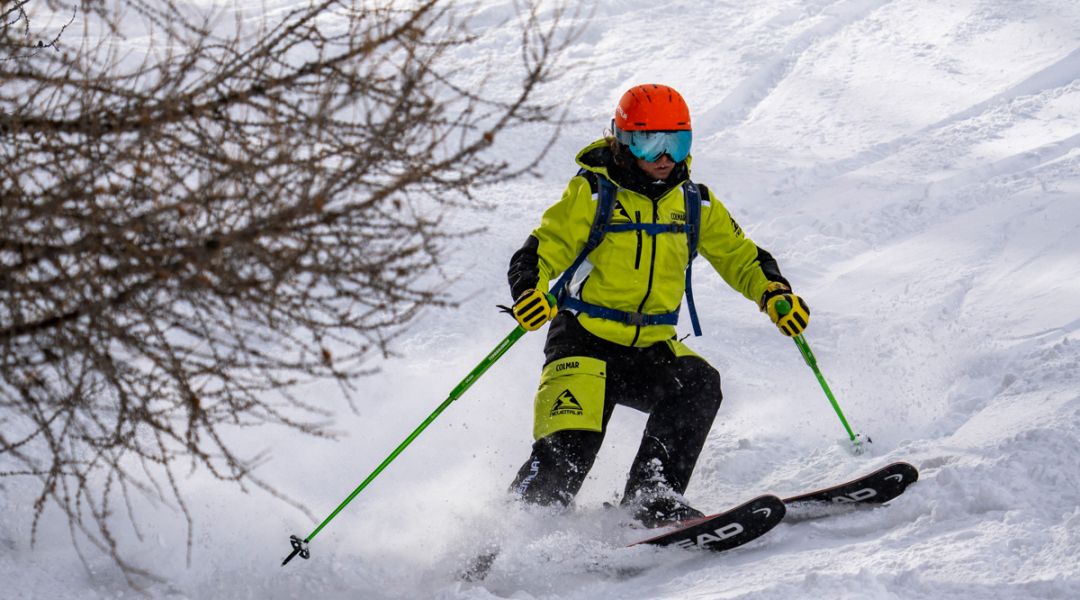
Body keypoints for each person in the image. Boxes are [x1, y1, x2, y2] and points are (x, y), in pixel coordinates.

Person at [504, 83, 811, 527]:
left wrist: (774, 293)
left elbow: (741, 257)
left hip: (650, 346)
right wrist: (529, 292)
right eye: (651, 141)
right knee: (566, 456)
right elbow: (540, 250)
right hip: (585, 345)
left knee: (698, 384)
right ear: (623, 140)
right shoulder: (592, 194)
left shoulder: (693, 202)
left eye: (677, 141)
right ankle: (499, 544)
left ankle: (652, 496)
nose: (665, 155)